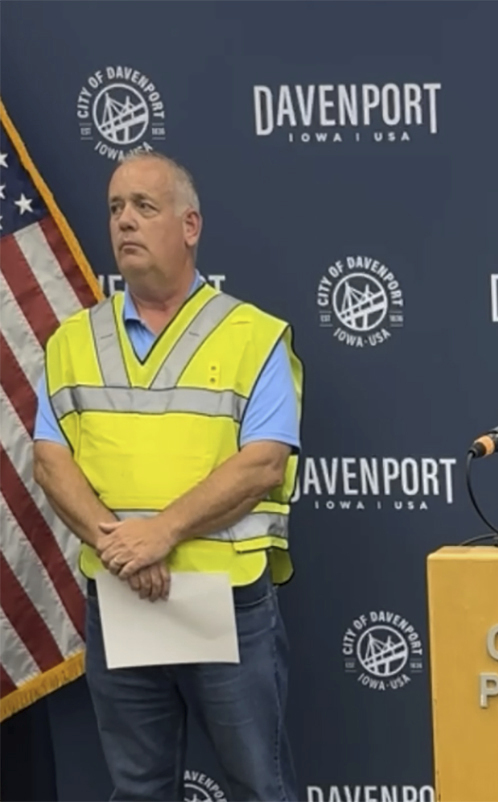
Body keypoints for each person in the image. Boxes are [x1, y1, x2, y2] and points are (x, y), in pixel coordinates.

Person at [32, 151, 304, 801]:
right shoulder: (71, 341)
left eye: (144, 207)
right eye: (115, 209)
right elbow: (50, 458)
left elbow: (264, 461)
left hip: (228, 604)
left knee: (259, 785)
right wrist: (120, 545)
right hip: (123, 598)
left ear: (189, 226)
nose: (125, 221)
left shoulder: (253, 336)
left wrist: (160, 533)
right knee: (138, 789)